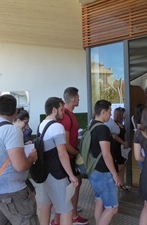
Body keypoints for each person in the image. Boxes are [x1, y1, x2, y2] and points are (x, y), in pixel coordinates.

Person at [0, 94, 39, 225]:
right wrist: (32, 157)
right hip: (12, 192)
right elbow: (20, 165)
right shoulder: (12, 130)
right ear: (15, 111)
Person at [39, 97, 78, 225]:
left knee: (46, 204)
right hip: (56, 174)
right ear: (54, 110)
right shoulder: (57, 127)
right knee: (66, 209)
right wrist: (71, 175)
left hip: (45, 173)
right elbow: (62, 153)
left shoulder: (42, 125)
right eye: (62, 109)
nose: (63, 112)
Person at [51, 87, 88, 225]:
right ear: (73, 99)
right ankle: (65, 218)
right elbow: (65, 144)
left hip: (70, 157)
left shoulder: (69, 115)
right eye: (78, 97)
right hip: (67, 158)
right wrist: (77, 152)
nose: (79, 99)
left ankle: (71, 214)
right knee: (71, 186)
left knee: (76, 183)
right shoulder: (66, 117)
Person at [88, 100, 121, 225]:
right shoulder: (103, 129)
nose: (110, 115)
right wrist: (115, 174)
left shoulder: (91, 126)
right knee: (112, 208)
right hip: (103, 173)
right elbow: (106, 154)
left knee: (99, 202)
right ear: (103, 112)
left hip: (94, 171)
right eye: (109, 111)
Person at [112, 107, 129, 190]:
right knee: (120, 166)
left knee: (123, 165)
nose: (125, 115)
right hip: (117, 147)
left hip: (122, 147)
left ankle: (121, 183)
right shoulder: (114, 124)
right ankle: (118, 183)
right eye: (124, 113)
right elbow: (115, 136)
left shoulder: (121, 124)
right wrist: (123, 143)